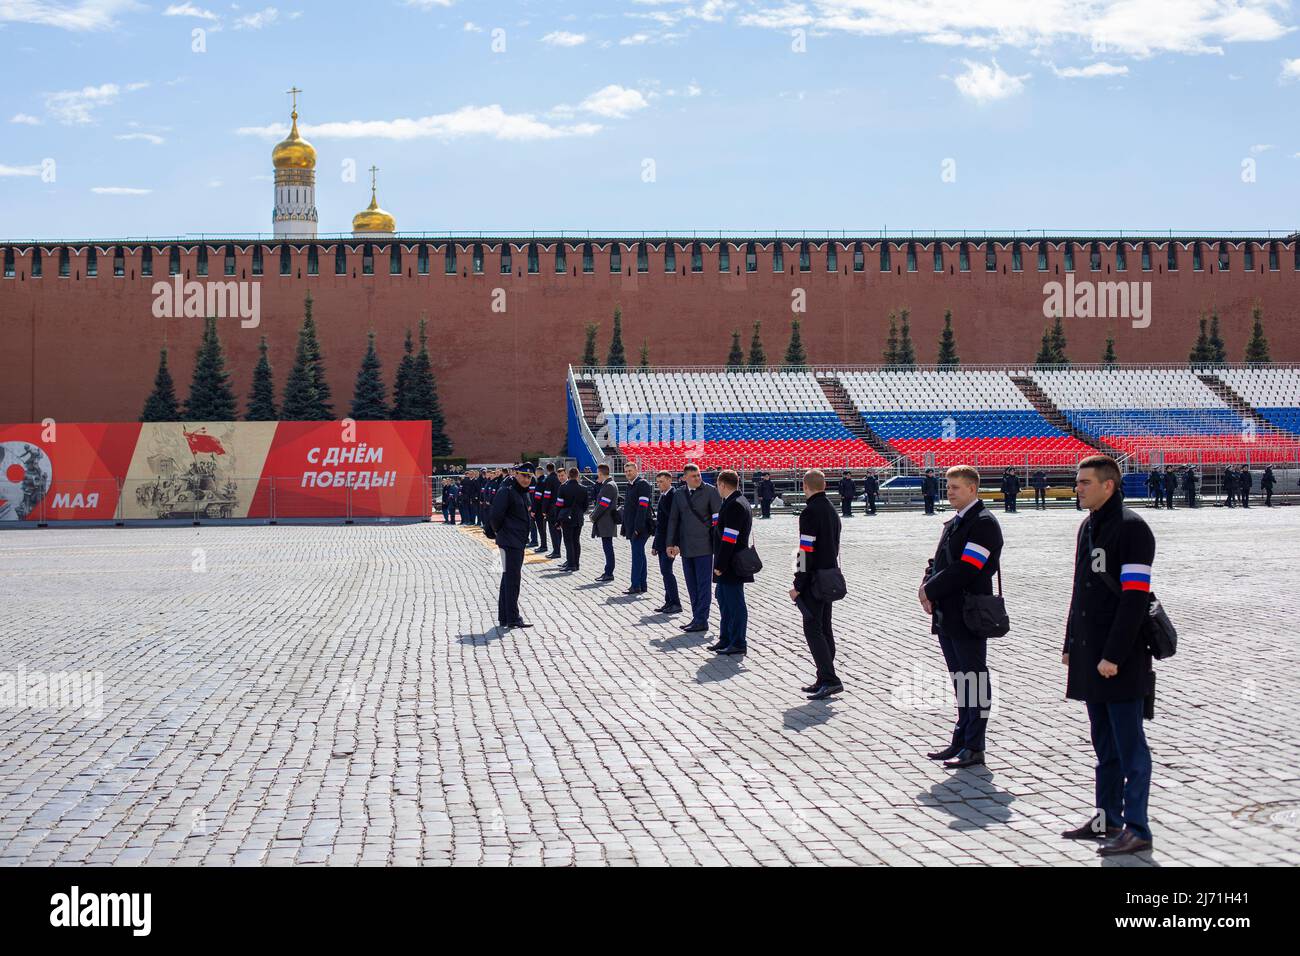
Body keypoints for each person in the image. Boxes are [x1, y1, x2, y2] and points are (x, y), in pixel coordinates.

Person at [1061, 454, 1156, 856]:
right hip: (1090, 654)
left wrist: (1114, 655)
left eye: (1085, 482)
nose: (1078, 488)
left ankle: (1137, 826)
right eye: (1078, 482)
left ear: (1108, 485)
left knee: (1130, 745)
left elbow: (1134, 599)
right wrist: (1070, 643)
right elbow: (1080, 589)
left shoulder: (1133, 529)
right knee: (1104, 745)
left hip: (1120, 658)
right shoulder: (1088, 525)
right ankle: (1107, 816)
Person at [918, 464, 1004, 770]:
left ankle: (974, 745)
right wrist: (926, 583)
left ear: (972, 489)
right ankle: (961, 738)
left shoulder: (983, 523)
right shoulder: (956, 521)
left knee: (974, 678)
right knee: (960, 679)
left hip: (968, 613)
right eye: (948, 486)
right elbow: (939, 560)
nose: (949, 491)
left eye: (955, 487)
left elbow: (969, 567)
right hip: (949, 613)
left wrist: (931, 588)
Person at [791, 469, 843, 700]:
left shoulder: (809, 512)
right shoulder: (832, 510)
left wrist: (798, 582)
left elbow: (805, 551)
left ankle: (830, 678)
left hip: (813, 579)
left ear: (805, 487)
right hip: (829, 575)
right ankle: (824, 675)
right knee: (825, 627)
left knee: (813, 629)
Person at [666, 463, 723, 633]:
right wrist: (670, 543)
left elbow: (717, 521)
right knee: (691, 584)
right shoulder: (679, 494)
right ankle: (696, 616)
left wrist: (717, 545)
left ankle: (701, 619)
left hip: (705, 547)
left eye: (698, 475)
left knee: (703, 585)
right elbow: (674, 520)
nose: (698, 478)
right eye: (693, 476)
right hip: (686, 547)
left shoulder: (711, 491)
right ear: (685, 478)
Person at [711, 469, 754, 656]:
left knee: (735, 603)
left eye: (717, 486)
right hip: (729, 561)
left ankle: (737, 641)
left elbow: (729, 539)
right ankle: (726, 637)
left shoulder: (735, 505)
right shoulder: (735, 501)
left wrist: (720, 565)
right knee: (723, 600)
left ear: (722, 485)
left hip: (731, 563)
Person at [489, 463, 537, 631]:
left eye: (529, 477)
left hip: (517, 540)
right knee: (513, 580)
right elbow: (496, 516)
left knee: (507, 578)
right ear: (516, 474)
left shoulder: (522, 492)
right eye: (524, 475)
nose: (526, 479)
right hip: (510, 541)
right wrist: (501, 533)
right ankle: (513, 617)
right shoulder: (507, 490)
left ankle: (505, 616)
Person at [650, 471, 682, 614]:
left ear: (669, 480)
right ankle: (668, 601)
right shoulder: (664, 495)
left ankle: (675, 602)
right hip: (662, 541)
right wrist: (655, 544)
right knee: (665, 572)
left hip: (669, 542)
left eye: (662, 481)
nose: (659, 484)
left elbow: (674, 522)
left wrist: (674, 543)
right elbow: (661, 524)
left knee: (667, 572)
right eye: (657, 482)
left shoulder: (673, 496)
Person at [621, 462, 654, 595]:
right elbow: (628, 508)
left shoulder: (643, 484)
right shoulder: (630, 485)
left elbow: (642, 508)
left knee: (636, 556)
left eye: (630, 470)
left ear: (636, 470)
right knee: (640, 555)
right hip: (632, 526)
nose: (628, 473)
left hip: (640, 527)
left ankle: (635, 585)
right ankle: (642, 584)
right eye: (626, 471)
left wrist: (637, 528)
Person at [590, 464, 621, 582]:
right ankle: (608, 571)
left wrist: (593, 516)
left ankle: (609, 572)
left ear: (601, 473)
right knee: (607, 547)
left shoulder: (608, 485)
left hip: (606, 521)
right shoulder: (610, 484)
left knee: (608, 547)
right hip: (607, 521)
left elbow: (603, 504)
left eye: (598, 473)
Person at [556, 467, 588, 572]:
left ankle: (570, 564)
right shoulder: (583, 488)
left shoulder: (563, 487)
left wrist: (558, 519)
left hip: (566, 518)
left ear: (568, 475)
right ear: (578, 475)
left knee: (568, 541)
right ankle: (577, 564)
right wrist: (579, 512)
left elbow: (559, 504)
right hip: (578, 517)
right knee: (576, 541)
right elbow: (586, 506)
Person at [543, 462, 563, 558]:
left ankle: (556, 551)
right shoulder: (558, 478)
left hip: (551, 508)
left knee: (553, 530)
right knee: (558, 530)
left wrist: (544, 509)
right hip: (559, 507)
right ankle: (557, 549)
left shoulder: (549, 479)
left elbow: (547, 495)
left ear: (547, 469)